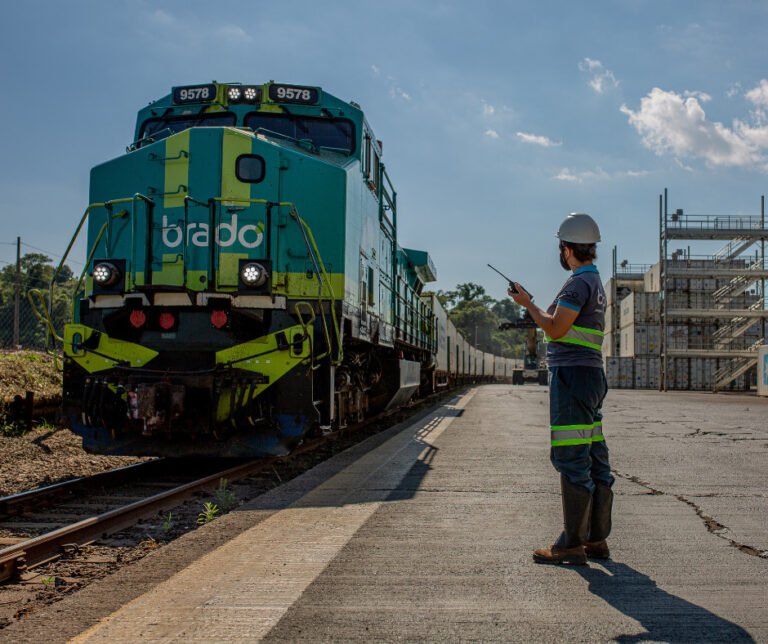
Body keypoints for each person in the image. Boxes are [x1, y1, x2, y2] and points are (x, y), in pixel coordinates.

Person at [508, 213, 614, 565]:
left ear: (567, 249)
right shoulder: (594, 283)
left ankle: (571, 544)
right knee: (594, 454)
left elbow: (555, 329)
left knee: (571, 457)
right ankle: (595, 539)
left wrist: (528, 306)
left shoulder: (576, 285)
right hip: (590, 376)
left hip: (572, 377)